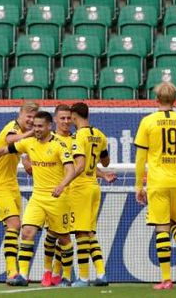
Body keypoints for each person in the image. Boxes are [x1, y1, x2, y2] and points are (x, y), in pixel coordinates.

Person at [0, 111, 78, 287]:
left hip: (58, 198)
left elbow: (71, 169)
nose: (36, 129)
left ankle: (67, 276)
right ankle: (22, 275)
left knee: (64, 238)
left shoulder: (60, 145)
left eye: (40, 126)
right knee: (26, 232)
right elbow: (3, 150)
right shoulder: (28, 143)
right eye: (35, 126)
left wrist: (62, 185)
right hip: (37, 198)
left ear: (49, 127)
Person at [135, 82, 176, 290]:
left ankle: (166, 279)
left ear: (156, 99)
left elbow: (140, 159)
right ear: (175, 100)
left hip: (157, 181)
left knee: (162, 229)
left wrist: (138, 185)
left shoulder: (148, 122)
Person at [0, 102, 38, 281]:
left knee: (15, 227)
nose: (30, 120)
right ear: (20, 115)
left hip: (12, 184)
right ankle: (11, 272)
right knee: (14, 224)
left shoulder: (25, 138)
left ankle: (16, 272)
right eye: (28, 116)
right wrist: (31, 133)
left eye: (33, 117)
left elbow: (26, 160)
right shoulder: (12, 128)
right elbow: (10, 140)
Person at [68, 102, 114, 287]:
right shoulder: (99, 135)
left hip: (80, 187)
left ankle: (84, 277)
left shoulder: (77, 137)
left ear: (74, 116)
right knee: (89, 233)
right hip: (94, 187)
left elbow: (77, 165)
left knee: (80, 233)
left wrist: (63, 183)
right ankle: (101, 274)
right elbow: (105, 162)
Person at [41, 104, 75, 287]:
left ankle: (61, 274)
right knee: (51, 234)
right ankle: (50, 271)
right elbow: (29, 153)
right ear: (54, 120)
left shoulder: (75, 140)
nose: (66, 121)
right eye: (62, 118)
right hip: (51, 195)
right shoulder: (47, 140)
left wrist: (101, 174)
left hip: (70, 195)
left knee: (64, 236)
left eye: (68, 118)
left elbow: (81, 166)